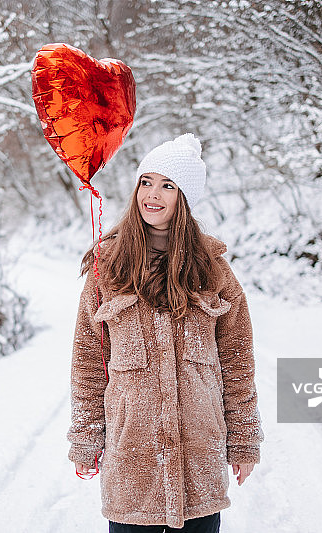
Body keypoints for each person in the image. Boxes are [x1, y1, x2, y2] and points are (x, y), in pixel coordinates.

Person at [67, 133, 264, 533]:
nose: (152, 195)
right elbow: (89, 360)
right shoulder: (110, 266)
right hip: (132, 464)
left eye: (167, 185)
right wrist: (86, 438)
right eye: (146, 182)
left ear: (185, 197)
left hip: (199, 460)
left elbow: (237, 360)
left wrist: (243, 440)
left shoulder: (213, 270)